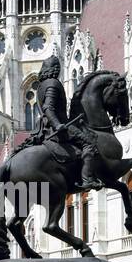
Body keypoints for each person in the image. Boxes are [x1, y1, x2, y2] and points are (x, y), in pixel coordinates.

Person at [31, 54, 101, 190]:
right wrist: (57, 124)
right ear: (54, 69)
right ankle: (87, 179)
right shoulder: (53, 84)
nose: (58, 70)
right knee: (89, 143)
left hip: (46, 127)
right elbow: (48, 107)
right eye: (57, 67)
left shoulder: (41, 86)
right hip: (58, 127)